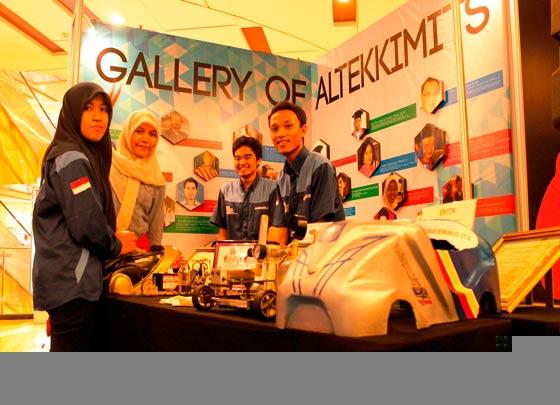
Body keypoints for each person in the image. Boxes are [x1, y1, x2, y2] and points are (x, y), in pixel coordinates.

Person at [32, 82, 137, 351]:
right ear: (72, 112)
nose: (98, 116)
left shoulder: (74, 154)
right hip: (72, 282)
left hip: (68, 280)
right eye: (88, 108)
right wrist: (117, 245)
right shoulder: (72, 159)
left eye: (104, 109)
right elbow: (86, 223)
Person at [269, 101, 345, 227]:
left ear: (303, 130)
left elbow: (319, 229)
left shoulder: (320, 166)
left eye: (288, 126)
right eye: (275, 129)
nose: (280, 134)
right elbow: (280, 229)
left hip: (323, 239)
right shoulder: (282, 177)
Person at [211, 136, 287, 243]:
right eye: (238, 158)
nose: (242, 162)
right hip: (232, 252)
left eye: (247, 157)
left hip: (261, 252)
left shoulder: (272, 188)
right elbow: (222, 232)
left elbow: (276, 229)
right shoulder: (226, 190)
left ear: (258, 160)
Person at [110, 110, 166, 249]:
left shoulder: (156, 178)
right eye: (139, 131)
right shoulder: (108, 165)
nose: (146, 139)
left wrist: (154, 253)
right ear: (128, 132)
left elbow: (155, 228)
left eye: (152, 134)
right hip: (105, 248)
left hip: (139, 253)